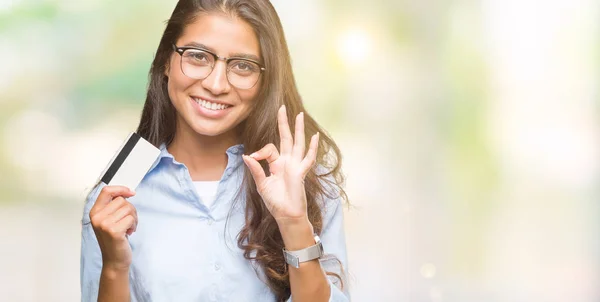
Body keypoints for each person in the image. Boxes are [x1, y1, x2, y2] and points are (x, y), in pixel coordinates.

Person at [80, 0, 349, 301]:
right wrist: (115, 267)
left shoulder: (306, 184)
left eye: (243, 66)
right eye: (197, 56)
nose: (216, 84)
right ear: (166, 60)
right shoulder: (117, 193)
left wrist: (293, 223)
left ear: (265, 80)